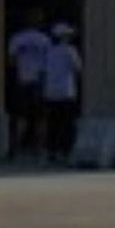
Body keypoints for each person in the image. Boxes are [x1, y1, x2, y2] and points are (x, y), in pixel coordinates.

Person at [6, 8, 50, 158]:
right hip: (40, 82)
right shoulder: (45, 40)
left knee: (21, 116)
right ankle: (40, 148)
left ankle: (16, 149)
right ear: (40, 22)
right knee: (41, 118)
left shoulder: (17, 38)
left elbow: (11, 62)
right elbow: (49, 63)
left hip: (23, 80)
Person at [41, 21, 82, 165]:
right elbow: (77, 68)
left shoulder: (49, 51)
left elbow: (44, 71)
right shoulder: (70, 50)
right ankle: (66, 151)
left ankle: (51, 151)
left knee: (52, 124)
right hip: (66, 91)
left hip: (50, 92)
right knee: (67, 124)